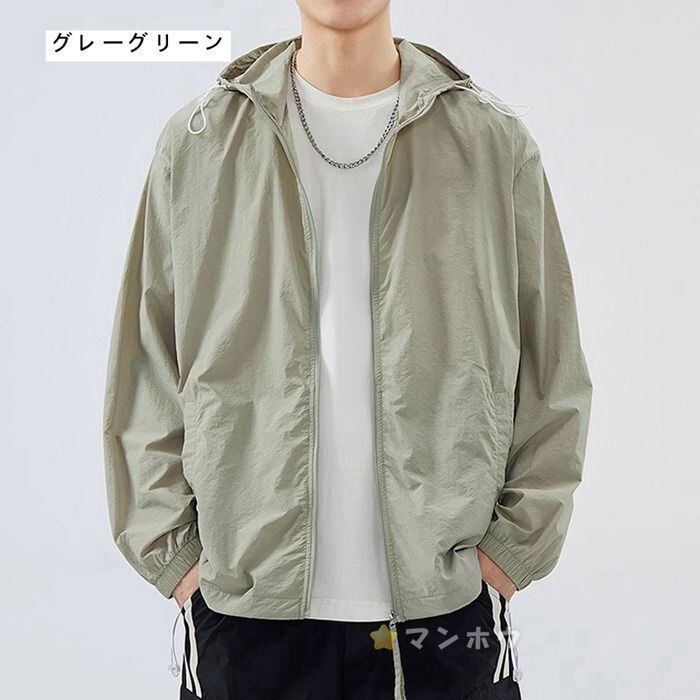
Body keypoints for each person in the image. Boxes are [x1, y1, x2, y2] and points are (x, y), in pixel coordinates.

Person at [103, 1, 593, 698]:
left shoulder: (491, 143)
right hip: (244, 606)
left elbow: (554, 370)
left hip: (445, 604)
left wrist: (510, 552)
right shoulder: (201, 142)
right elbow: (144, 363)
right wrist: (177, 558)